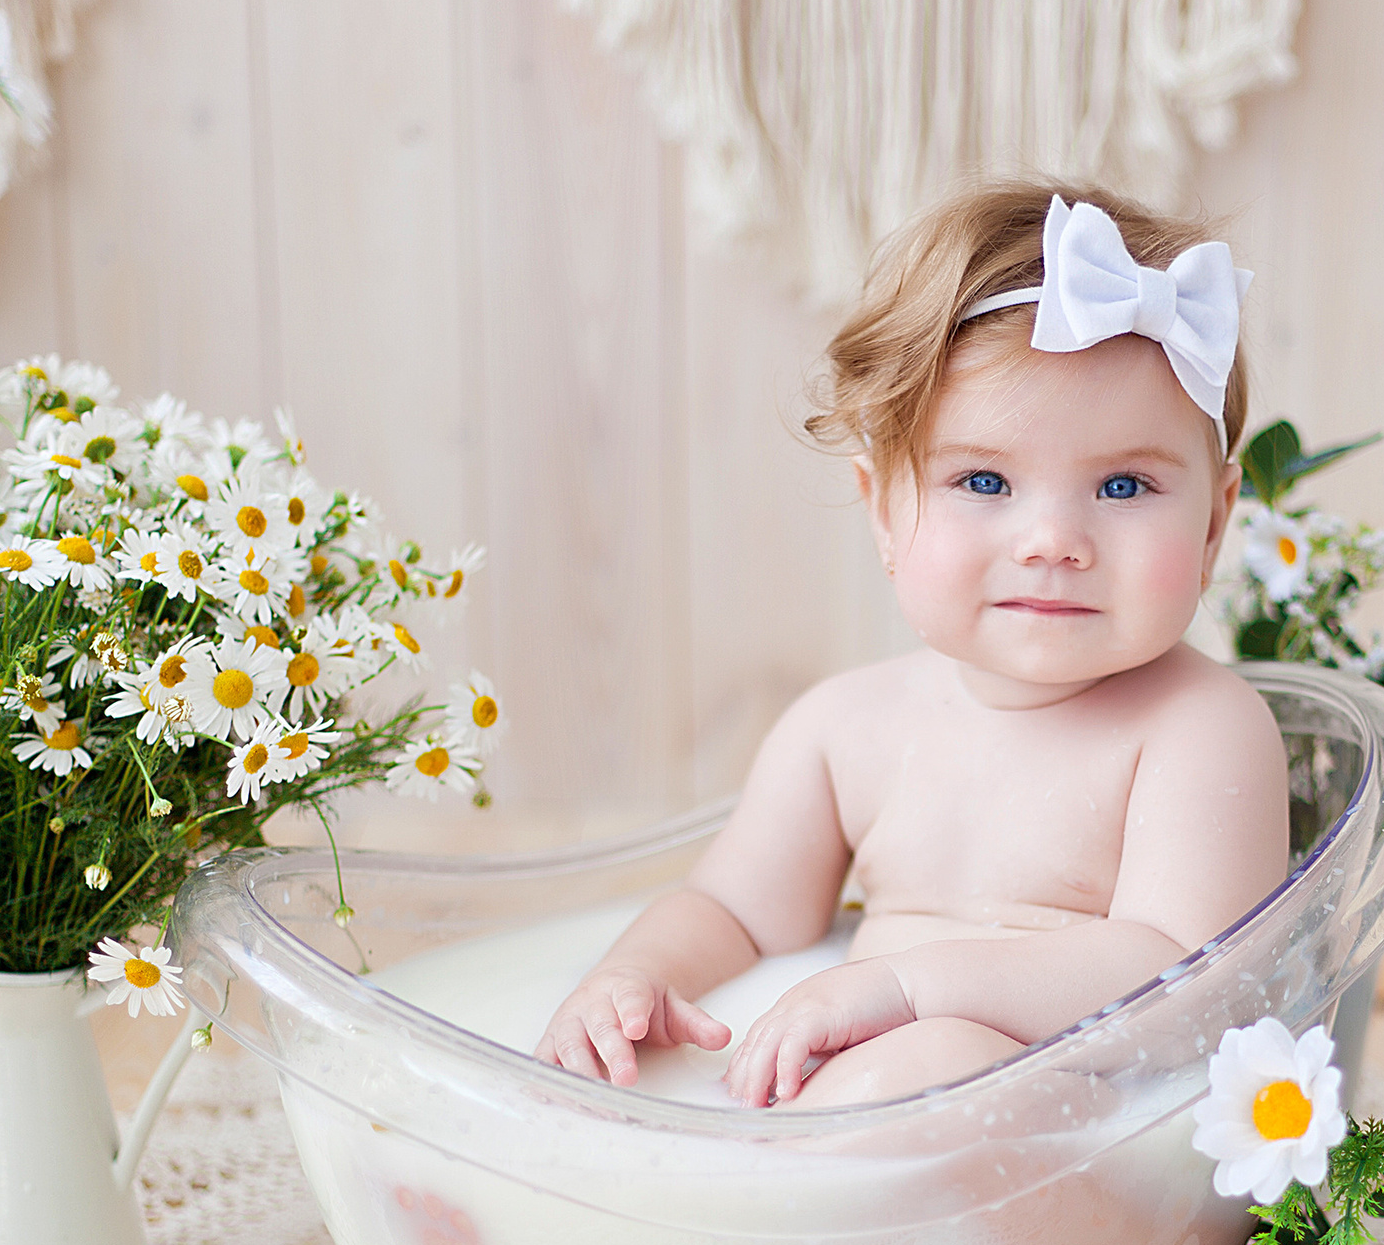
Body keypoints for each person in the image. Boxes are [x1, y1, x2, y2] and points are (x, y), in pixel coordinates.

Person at [534, 179, 1290, 1107]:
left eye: (1123, 487)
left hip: (1086, 1132)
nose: (1053, 540)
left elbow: (1186, 983)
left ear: (1213, 525)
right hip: (857, 1112)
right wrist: (636, 975)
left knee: (934, 1062)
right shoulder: (846, 726)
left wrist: (905, 988)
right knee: (623, 1074)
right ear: (883, 513)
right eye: (984, 481)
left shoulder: (1200, 728)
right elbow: (735, 910)